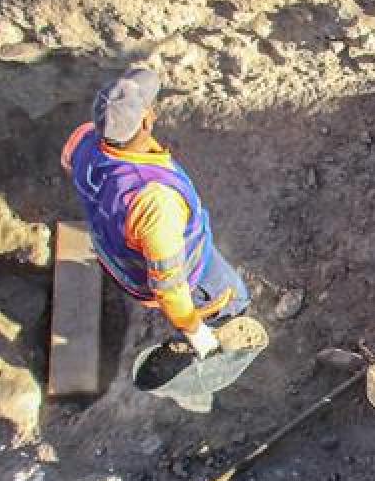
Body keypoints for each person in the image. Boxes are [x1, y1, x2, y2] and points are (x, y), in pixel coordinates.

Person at [62, 63, 249, 357]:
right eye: (149, 105)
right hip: (194, 278)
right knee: (231, 300)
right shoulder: (154, 203)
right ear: (147, 121)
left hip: (119, 258)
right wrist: (195, 332)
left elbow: (68, 161)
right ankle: (222, 325)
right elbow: (170, 285)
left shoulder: (83, 140)